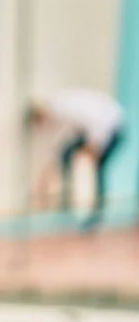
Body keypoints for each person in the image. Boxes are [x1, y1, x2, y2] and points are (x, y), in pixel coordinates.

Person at [30, 88, 124, 229]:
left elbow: (97, 122)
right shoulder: (58, 114)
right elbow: (59, 146)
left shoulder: (65, 108)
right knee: (65, 155)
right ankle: (66, 203)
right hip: (93, 129)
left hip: (112, 126)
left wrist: (94, 147)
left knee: (99, 168)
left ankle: (97, 214)